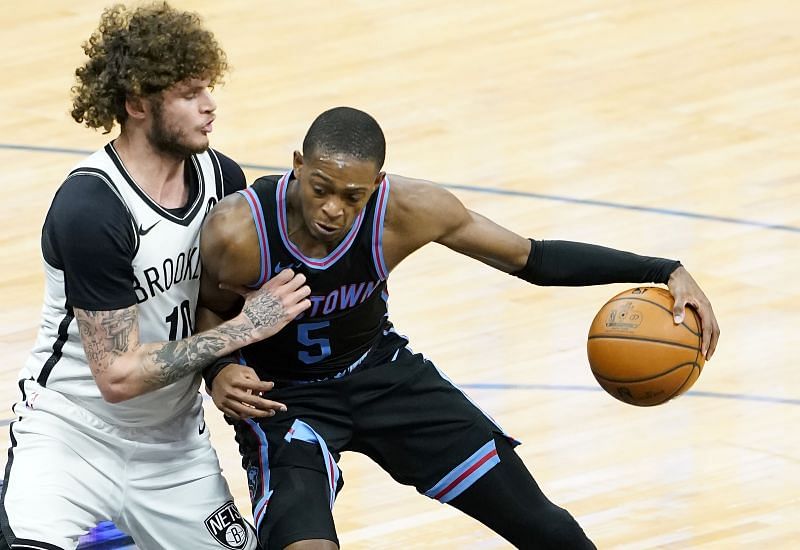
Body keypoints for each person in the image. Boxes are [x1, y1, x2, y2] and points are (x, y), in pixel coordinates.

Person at [198, 106, 720, 549]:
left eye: (352, 196)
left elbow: (529, 258)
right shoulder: (240, 230)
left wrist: (661, 270)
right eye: (320, 189)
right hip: (286, 399)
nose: (333, 209)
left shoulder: (409, 211)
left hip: (382, 374)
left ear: (377, 186)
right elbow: (208, 308)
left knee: (547, 528)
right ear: (297, 166)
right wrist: (219, 369)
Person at [0, 3, 311, 549]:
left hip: (174, 446)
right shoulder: (93, 208)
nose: (211, 107)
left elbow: (213, 302)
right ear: (137, 103)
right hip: (68, 437)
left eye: (209, 88)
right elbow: (117, 376)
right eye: (190, 94)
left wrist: (218, 370)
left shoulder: (224, 180)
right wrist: (245, 328)